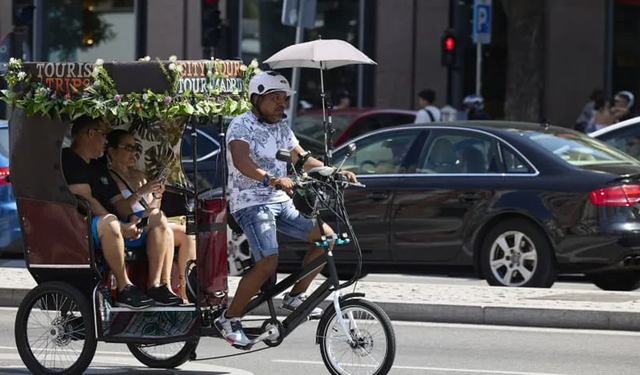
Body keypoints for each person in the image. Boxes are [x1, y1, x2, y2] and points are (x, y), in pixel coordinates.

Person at [214, 71, 358, 347]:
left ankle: (295, 298)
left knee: (326, 237)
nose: (282, 104)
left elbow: (302, 158)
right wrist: (272, 179)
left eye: (284, 99)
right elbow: (242, 161)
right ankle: (229, 318)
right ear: (256, 98)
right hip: (251, 203)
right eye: (275, 98)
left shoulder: (281, 126)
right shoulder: (241, 125)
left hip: (280, 202)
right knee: (268, 262)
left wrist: (335, 172)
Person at [62, 115, 180, 308]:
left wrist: (132, 218)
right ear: (91, 134)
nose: (106, 141)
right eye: (103, 135)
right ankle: (125, 287)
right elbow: (86, 201)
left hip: (114, 224)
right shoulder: (70, 159)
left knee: (157, 217)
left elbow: (118, 201)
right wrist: (121, 225)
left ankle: (155, 286)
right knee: (109, 221)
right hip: (82, 226)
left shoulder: (98, 167)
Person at [105, 129, 196, 304]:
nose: (134, 153)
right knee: (160, 221)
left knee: (186, 234)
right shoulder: (109, 177)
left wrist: (156, 196)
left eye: (136, 148)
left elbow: (154, 209)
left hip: (149, 222)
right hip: (128, 223)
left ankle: (182, 290)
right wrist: (141, 192)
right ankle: (157, 285)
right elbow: (120, 208)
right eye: (128, 147)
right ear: (112, 151)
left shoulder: (139, 176)